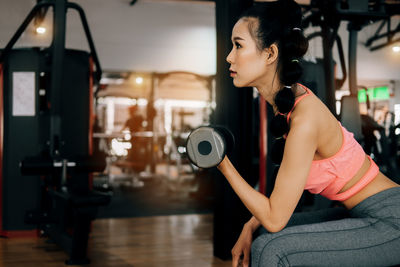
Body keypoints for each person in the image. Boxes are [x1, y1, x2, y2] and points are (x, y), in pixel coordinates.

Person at [217, 1, 400, 266]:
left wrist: (223, 164)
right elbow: (276, 210)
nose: (229, 57)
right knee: (263, 232)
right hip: (364, 212)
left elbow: (275, 217)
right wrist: (250, 224)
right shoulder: (287, 106)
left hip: (391, 220)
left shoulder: (304, 118)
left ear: (270, 54)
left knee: (272, 249)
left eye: (238, 45)